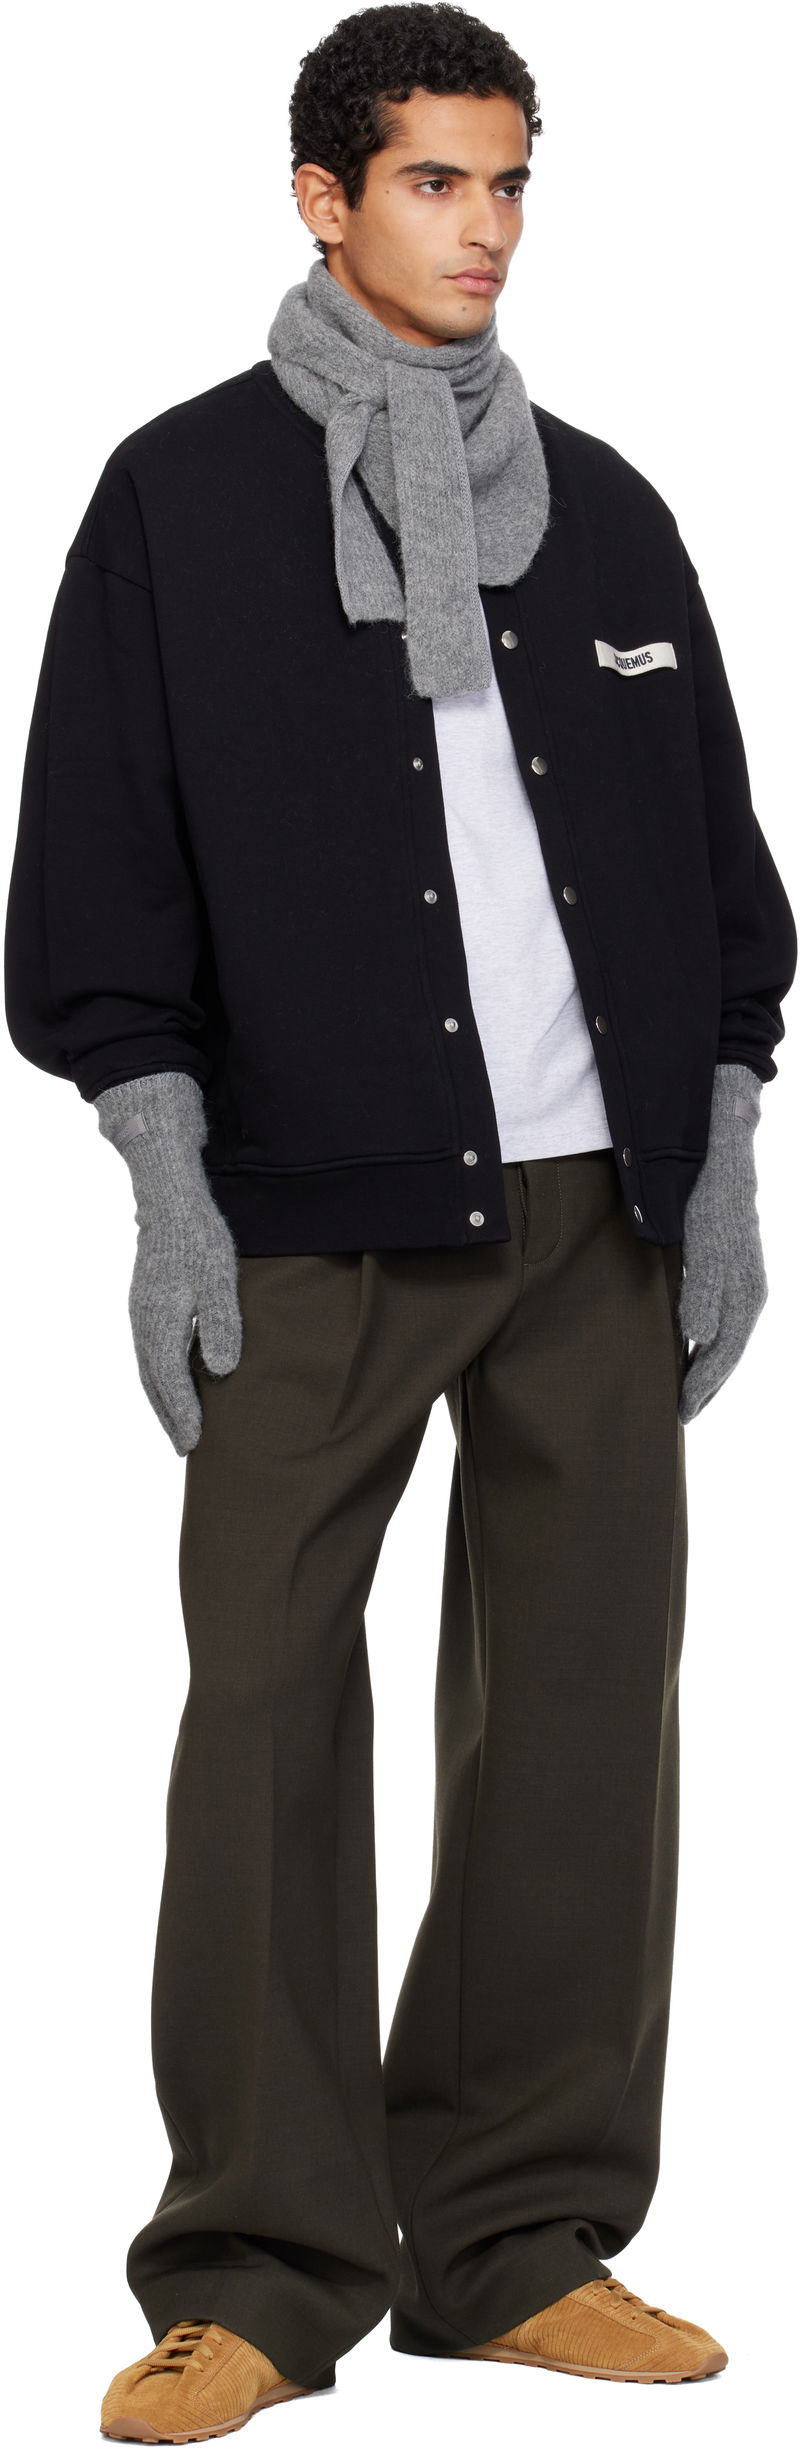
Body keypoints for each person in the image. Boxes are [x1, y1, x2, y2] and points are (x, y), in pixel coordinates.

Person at [5, 4, 797, 2435]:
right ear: (323, 196)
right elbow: (100, 866)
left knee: (575, 1726)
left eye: (512, 181)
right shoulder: (178, 499)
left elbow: (715, 872)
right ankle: (258, 2266)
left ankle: (519, 2235)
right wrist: (164, 1183)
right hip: (309, 1216)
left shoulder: (611, 507)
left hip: (595, 1212)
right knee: (262, 1707)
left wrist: (720, 1154)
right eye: (438, 179)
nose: (486, 227)